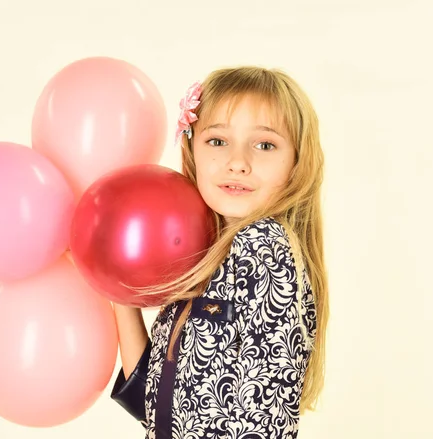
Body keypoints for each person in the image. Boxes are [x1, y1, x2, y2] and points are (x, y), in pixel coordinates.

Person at [110, 66, 329, 439]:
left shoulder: (263, 246)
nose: (237, 162)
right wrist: (117, 291)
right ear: (192, 149)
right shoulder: (210, 255)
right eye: (217, 141)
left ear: (296, 164)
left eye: (264, 145)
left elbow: (258, 418)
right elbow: (158, 407)